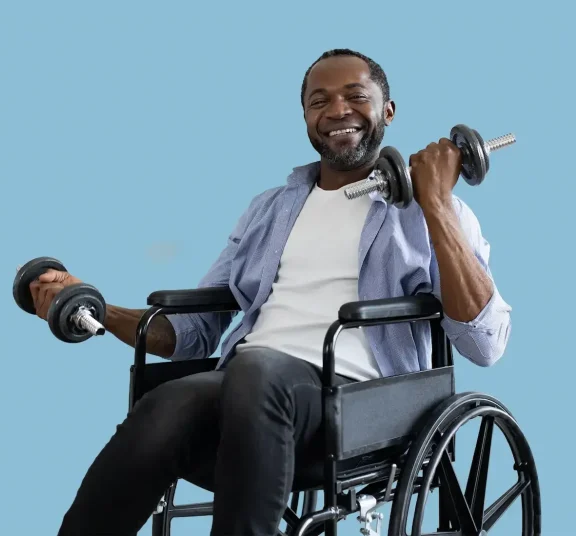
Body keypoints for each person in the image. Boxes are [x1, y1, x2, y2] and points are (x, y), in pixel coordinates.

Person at [32, 49, 512, 536]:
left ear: (387, 111)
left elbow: (484, 343)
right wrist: (91, 305)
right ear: (306, 118)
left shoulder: (432, 214)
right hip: (248, 388)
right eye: (319, 101)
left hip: (358, 401)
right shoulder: (270, 209)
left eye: (356, 96)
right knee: (167, 402)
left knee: (257, 371)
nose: (337, 110)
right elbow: (191, 334)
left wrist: (436, 201)